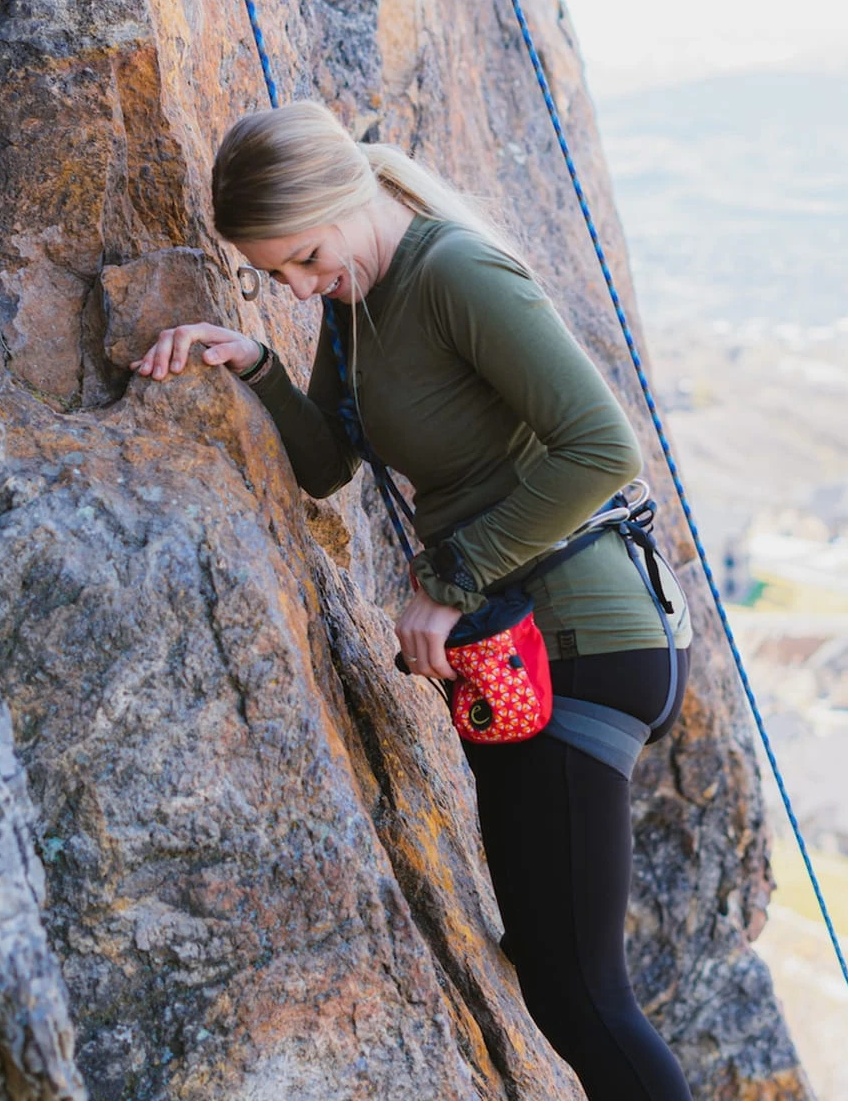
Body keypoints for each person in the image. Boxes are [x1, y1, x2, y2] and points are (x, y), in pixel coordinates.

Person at [130, 100, 695, 1101]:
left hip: (581, 639)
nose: (299, 285)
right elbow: (327, 465)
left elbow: (604, 449)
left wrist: (446, 580)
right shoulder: (354, 305)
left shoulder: (454, 274)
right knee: (549, 967)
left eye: (303, 257)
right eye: (277, 276)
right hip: (519, 652)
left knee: (582, 996)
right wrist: (253, 364)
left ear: (349, 197)